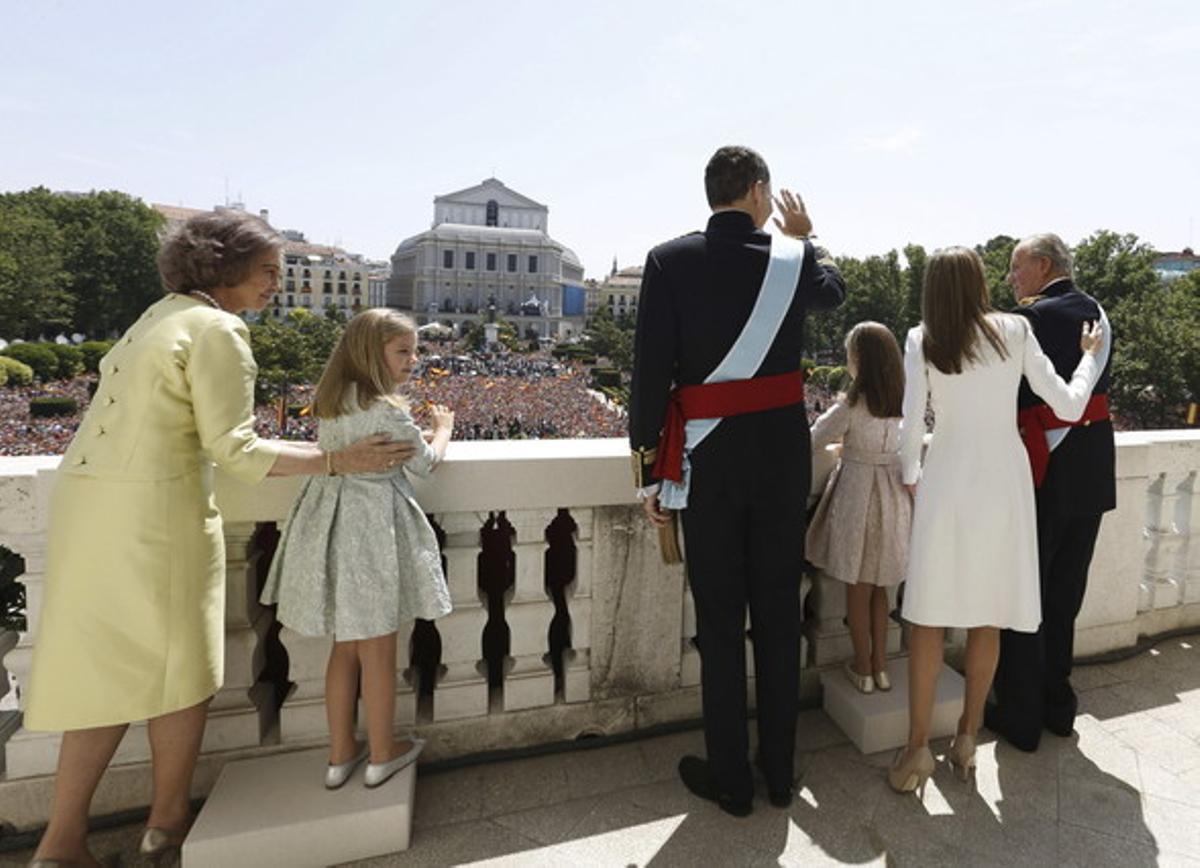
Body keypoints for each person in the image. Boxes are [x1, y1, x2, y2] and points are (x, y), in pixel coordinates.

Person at [24, 211, 414, 867]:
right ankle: (167, 824)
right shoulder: (218, 330)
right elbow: (234, 449)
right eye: (268, 271)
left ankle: (61, 841)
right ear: (223, 267)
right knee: (180, 674)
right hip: (154, 515)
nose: (277, 284)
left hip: (90, 508)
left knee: (101, 677)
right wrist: (336, 461)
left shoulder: (154, 318)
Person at [629, 146, 845, 815]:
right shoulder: (793, 256)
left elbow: (648, 378)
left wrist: (647, 473)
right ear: (758, 192)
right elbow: (834, 294)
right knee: (778, 620)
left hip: (707, 466)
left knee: (721, 627)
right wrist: (809, 237)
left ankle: (731, 779)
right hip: (781, 464)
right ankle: (779, 774)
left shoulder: (668, 261)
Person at [889, 246, 1103, 797]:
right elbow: (1070, 405)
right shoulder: (1014, 329)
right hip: (1005, 481)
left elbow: (911, 429)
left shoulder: (922, 338)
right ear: (980, 282)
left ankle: (916, 749)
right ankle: (966, 738)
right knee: (988, 617)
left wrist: (912, 474)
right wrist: (1088, 357)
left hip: (949, 478)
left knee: (929, 619)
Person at [261, 309, 454, 788]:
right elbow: (426, 465)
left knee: (344, 648)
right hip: (371, 533)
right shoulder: (389, 410)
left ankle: (340, 754)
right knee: (379, 650)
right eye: (403, 351)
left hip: (330, 524)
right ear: (374, 352)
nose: (413, 360)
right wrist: (443, 428)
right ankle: (382, 755)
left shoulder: (334, 399)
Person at [987, 233, 1115, 751]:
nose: (1011, 279)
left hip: (1045, 470)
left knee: (1026, 595)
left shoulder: (1031, 320)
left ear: (1042, 266)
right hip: (1091, 468)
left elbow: (1008, 394)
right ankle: (1058, 707)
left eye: (1016, 268)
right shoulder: (1098, 314)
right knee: (1066, 595)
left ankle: (1020, 717)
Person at [805, 322, 910, 694]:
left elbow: (812, 439)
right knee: (882, 587)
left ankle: (863, 667)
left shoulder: (851, 404)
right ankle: (881, 667)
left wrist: (845, 449)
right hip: (893, 495)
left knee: (857, 587)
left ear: (859, 360)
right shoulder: (903, 403)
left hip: (857, 495)